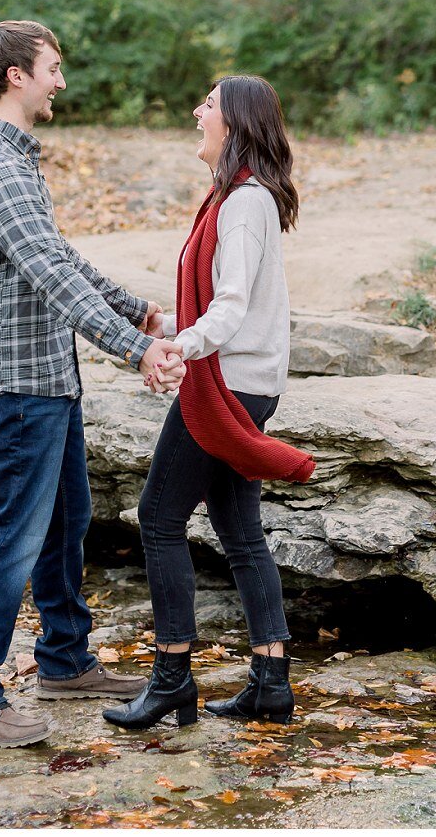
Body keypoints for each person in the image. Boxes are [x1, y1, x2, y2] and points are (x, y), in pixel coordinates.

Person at [0, 20, 187, 748]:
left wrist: (136, 307)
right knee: (12, 536)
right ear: (15, 74)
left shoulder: (14, 160)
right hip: (18, 385)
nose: (62, 80)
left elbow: (60, 256)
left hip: (48, 374)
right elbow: (48, 274)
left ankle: (64, 658)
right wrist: (136, 349)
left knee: (65, 521)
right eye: (53, 66)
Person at [104, 75, 314, 731]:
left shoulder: (244, 202)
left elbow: (230, 307)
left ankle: (171, 678)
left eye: (209, 104)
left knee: (159, 515)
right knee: (239, 528)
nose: (198, 111)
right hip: (242, 376)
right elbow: (225, 306)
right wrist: (168, 329)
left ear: (235, 123)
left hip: (230, 384)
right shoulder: (234, 197)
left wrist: (182, 348)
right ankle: (270, 683)